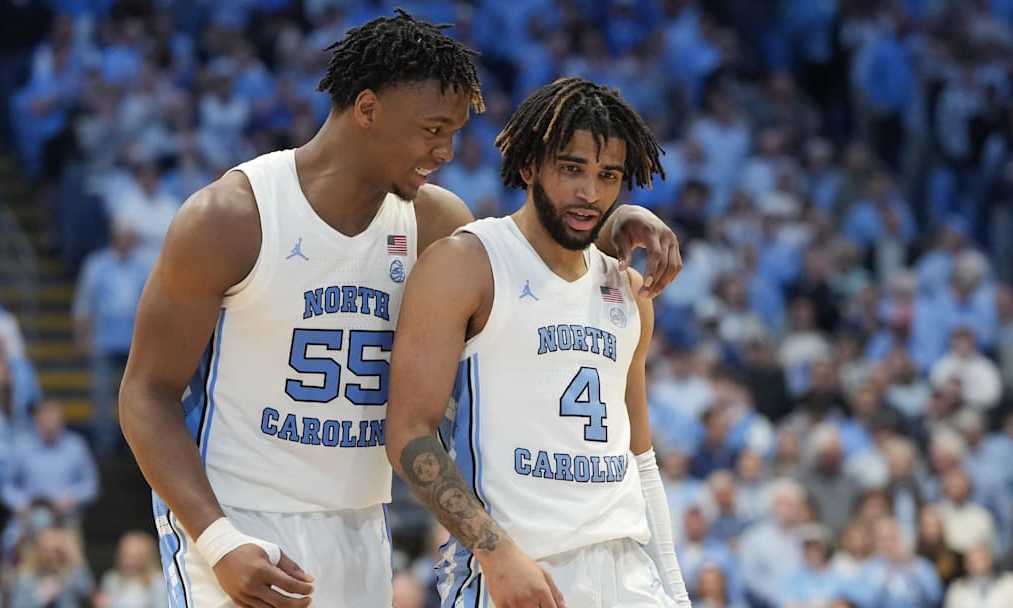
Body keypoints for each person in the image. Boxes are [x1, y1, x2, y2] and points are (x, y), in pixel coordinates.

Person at [118, 12, 683, 608]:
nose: (445, 151)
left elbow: (524, 262)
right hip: (240, 515)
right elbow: (145, 394)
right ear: (367, 110)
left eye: (454, 133)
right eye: (433, 129)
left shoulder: (434, 221)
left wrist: (609, 223)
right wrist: (216, 539)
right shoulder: (231, 217)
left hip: (361, 520)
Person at [386, 77, 690, 608]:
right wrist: (494, 552)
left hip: (627, 574)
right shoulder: (467, 264)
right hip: (517, 569)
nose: (590, 193)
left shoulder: (630, 292)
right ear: (529, 167)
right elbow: (410, 434)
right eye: (572, 169)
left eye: (608, 176)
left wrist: (676, 592)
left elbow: (640, 460)